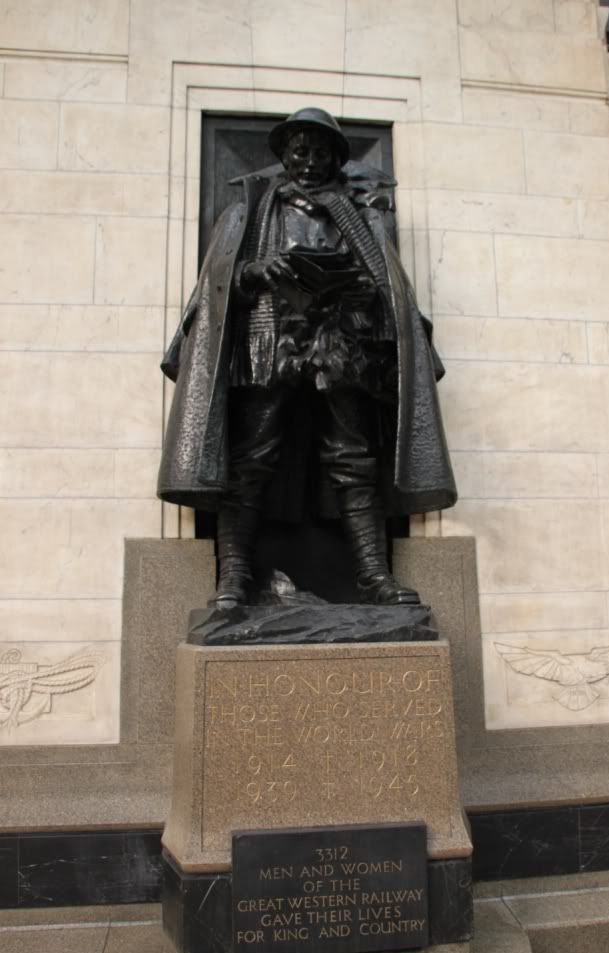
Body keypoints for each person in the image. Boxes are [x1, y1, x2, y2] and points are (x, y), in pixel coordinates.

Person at [158, 108, 456, 606]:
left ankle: (372, 576)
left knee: (353, 458)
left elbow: (386, 283)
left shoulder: (358, 216)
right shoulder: (251, 210)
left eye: (321, 153)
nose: (310, 161)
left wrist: (364, 289)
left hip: (341, 342)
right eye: (301, 151)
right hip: (270, 337)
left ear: (337, 159)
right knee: (251, 457)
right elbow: (220, 280)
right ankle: (232, 578)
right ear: (285, 155)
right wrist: (257, 272)